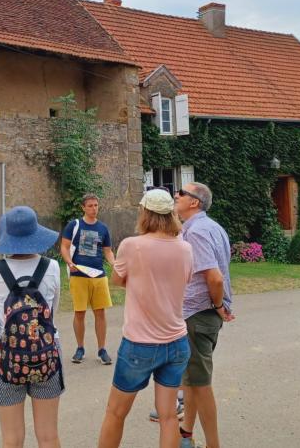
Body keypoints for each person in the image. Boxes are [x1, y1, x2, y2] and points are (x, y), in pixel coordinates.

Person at [98, 189, 193, 448]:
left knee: (116, 412)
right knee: (168, 416)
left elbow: (117, 280)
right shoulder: (185, 248)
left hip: (140, 343)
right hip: (176, 341)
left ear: (145, 213)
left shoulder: (132, 245)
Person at [0, 206, 63, 448]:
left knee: (12, 439)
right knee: (49, 436)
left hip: (6, 359)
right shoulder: (53, 267)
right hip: (47, 356)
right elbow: (52, 312)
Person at [174, 182, 234, 448]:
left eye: (181, 193)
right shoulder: (211, 227)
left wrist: (219, 305)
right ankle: (186, 432)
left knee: (200, 383)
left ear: (194, 202)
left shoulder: (196, 231)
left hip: (198, 314)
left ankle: (213, 444)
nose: (176, 196)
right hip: (201, 313)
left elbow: (215, 276)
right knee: (192, 378)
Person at [59, 193, 115, 365]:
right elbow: (64, 246)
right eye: (90, 206)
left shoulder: (103, 228)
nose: (93, 208)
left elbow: (107, 251)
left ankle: (102, 349)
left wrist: (114, 264)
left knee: (100, 312)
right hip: (79, 275)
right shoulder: (74, 225)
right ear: (83, 207)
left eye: (96, 205)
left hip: (98, 275)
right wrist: (69, 262)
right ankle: (80, 348)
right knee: (80, 313)